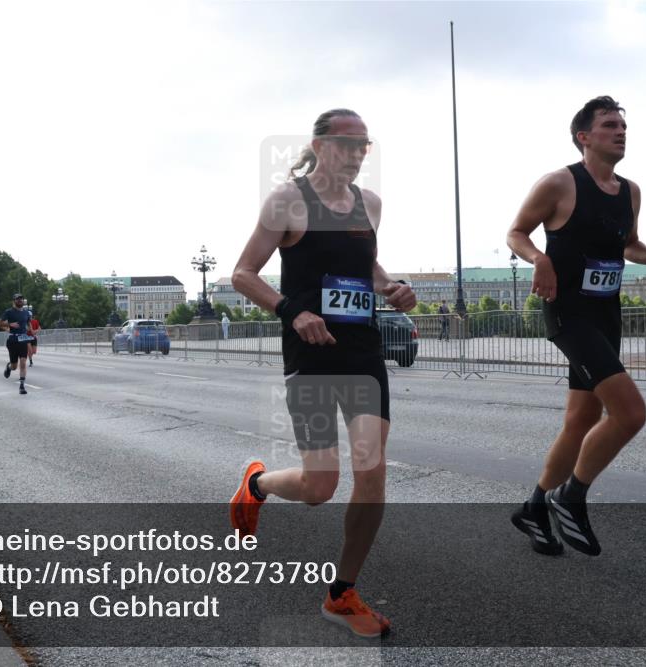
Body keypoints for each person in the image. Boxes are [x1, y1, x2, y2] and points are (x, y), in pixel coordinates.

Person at [229, 108, 416, 637]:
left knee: (372, 472)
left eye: (364, 147)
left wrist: (390, 286)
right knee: (319, 486)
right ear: (320, 144)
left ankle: (342, 593)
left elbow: (367, 267)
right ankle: (258, 484)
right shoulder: (287, 200)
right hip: (309, 354)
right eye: (346, 144)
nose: (356, 155)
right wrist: (294, 311)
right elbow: (243, 273)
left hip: (362, 351)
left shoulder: (369, 205)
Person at [506, 96, 646, 556]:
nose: (620, 132)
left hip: (606, 313)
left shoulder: (630, 191)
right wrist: (540, 259)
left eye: (623, 125)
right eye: (609, 125)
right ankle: (572, 495)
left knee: (581, 417)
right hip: (568, 312)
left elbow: (629, 246)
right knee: (630, 413)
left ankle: (533, 507)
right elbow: (516, 232)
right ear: (584, 137)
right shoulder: (560, 183)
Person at [0, 293, 33, 395]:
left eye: (21, 299)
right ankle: (8, 367)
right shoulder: (9, 312)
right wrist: (9, 324)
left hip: (22, 340)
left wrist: (30, 330)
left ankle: (22, 386)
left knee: (23, 362)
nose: (20, 300)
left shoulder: (26, 312)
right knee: (14, 366)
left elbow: (29, 323)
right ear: (14, 301)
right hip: (12, 340)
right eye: (18, 299)